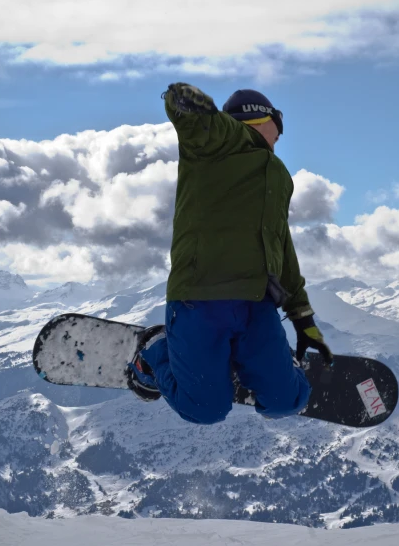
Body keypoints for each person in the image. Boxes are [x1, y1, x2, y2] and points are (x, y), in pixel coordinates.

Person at [127, 84, 332, 424]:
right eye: (277, 130)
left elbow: (281, 244)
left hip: (256, 304)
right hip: (200, 299)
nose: (279, 138)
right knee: (204, 410)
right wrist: (184, 100)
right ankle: (154, 351)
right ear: (261, 119)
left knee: (288, 401)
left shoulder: (278, 175)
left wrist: (302, 316)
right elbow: (195, 123)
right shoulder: (214, 148)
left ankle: (249, 362)